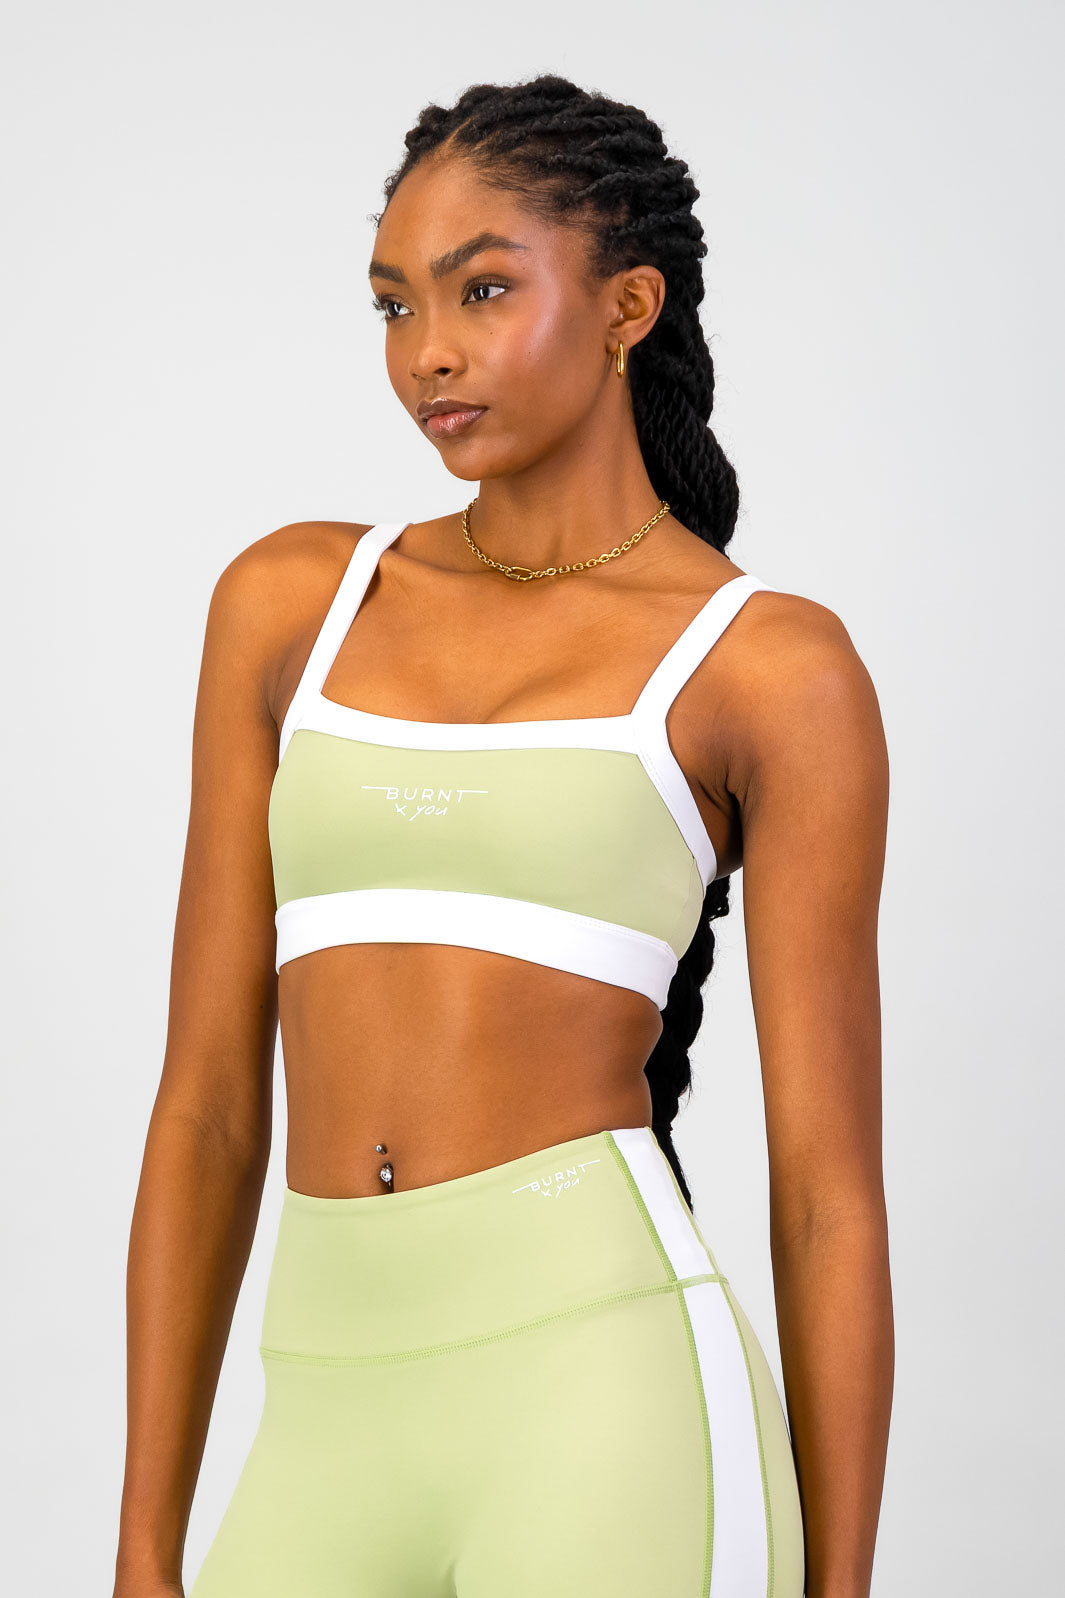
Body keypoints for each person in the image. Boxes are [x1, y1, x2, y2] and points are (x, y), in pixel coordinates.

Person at [111, 72, 892, 1598]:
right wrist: (145, 1543)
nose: (428, 351)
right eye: (394, 303)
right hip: (324, 1399)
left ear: (626, 307)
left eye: (482, 289)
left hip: (607, 1398)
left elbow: (824, 1190)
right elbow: (204, 1107)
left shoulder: (766, 667)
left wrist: (844, 1585)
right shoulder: (290, 604)